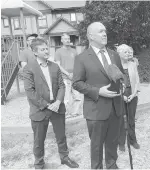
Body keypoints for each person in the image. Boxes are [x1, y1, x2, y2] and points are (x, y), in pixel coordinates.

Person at [72, 22, 124, 169]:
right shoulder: (82, 58)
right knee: (96, 146)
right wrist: (98, 91)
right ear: (90, 36)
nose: (104, 34)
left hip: (115, 108)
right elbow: (76, 83)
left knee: (112, 143)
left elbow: (121, 75)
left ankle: (112, 165)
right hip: (96, 110)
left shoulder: (114, 55)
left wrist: (123, 84)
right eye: (101, 31)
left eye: (105, 31)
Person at [23, 38, 79, 169]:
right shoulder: (28, 68)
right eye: (42, 49)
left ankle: (64, 158)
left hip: (57, 107)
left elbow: (61, 85)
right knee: (39, 139)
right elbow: (30, 92)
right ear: (35, 52)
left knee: (61, 135)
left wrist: (58, 101)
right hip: (40, 109)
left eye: (47, 48)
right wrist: (48, 105)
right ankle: (39, 163)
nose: (46, 51)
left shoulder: (54, 66)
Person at [117, 44, 140, 152]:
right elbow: (114, 84)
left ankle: (132, 140)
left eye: (128, 52)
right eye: (125, 52)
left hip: (132, 94)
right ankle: (121, 142)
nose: (127, 54)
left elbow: (137, 80)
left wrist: (134, 93)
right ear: (119, 54)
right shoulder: (115, 66)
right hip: (120, 96)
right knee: (120, 120)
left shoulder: (132, 64)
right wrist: (122, 96)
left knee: (131, 119)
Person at [54, 33, 80, 116]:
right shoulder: (58, 52)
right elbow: (58, 65)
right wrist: (68, 74)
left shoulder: (74, 51)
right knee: (66, 98)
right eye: (65, 39)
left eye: (68, 39)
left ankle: (75, 112)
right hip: (65, 77)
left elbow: (78, 64)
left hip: (74, 77)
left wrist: (75, 73)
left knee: (77, 96)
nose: (67, 40)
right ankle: (67, 114)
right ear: (62, 40)